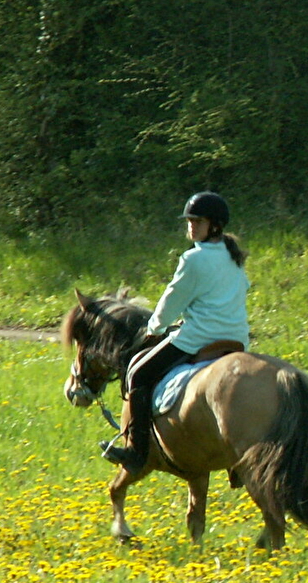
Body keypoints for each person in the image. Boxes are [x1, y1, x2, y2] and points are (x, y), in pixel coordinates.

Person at [102, 191, 250, 471]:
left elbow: (172, 298)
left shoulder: (193, 259)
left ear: (214, 225)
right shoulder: (234, 257)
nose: (191, 226)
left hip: (198, 339)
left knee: (138, 374)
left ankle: (136, 451)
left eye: (198, 221)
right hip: (237, 339)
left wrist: (154, 327)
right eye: (190, 221)